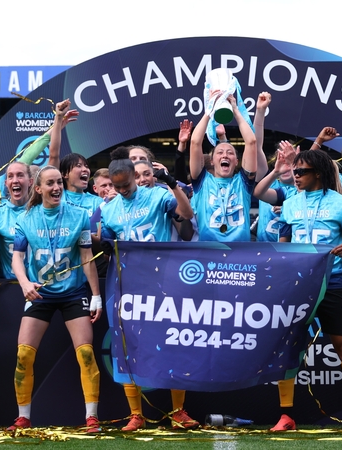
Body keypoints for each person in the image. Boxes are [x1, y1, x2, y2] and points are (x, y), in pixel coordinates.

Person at [272, 149, 342, 430]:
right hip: (298, 285)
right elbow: (282, 242)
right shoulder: (290, 203)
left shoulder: (341, 203)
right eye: (294, 171)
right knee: (289, 349)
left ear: (318, 173)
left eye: (300, 171)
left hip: (333, 282)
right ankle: (286, 416)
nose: (295, 176)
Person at [100, 148, 196, 430]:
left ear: (134, 176)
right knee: (130, 347)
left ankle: (178, 411)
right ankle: (136, 415)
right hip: (130, 286)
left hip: (166, 283)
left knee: (173, 344)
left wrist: (172, 183)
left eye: (126, 185)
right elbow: (107, 246)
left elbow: (186, 214)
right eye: (117, 186)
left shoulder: (157, 196)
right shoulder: (109, 209)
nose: (122, 191)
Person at [8, 166, 102, 432]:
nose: (57, 187)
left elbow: (86, 257)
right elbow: (17, 258)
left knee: (86, 353)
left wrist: (96, 295)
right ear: (38, 189)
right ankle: (23, 418)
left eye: (59, 182)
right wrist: (24, 283)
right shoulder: (26, 219)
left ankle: (92, 417)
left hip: (73, 293)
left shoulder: (79, 215)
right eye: (50, 183)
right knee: (23, 354)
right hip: (40, 292)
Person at [189, 93, 262, 241]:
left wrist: (235, 110)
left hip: (240, 252)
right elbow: (195, 142)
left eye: (230, 153)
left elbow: (251, 142)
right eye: (220, 152)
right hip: (209, 251)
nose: (225, 155)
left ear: (236, 161)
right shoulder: (202, 182)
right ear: (212, 161)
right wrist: (210, 110)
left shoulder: (243, 182)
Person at [0, 162, 32, 280]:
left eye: (20, 175)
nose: (15, 180)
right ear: (6, 183)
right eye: (10, 176)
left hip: (38, 283)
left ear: (30, 181)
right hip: (12, 284)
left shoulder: (42, 212)